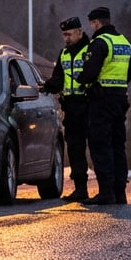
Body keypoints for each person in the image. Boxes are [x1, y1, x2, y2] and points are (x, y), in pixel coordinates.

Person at [77, 6, 131, 205]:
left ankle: (106, 192)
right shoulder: (125, 42)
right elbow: (129, 73)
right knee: (118, 145)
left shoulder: (100, 43)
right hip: (120, 99)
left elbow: (89, 73)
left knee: (101, 144)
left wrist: (81, 80)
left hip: (101, 100)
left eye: (92, 24)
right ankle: (120, 192)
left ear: (96, 23)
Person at [39, 16, 92, 201]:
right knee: (75, 149)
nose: (66, 38)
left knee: (97, 147)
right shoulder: (64, 54)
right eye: (64, 35)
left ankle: (107, 190)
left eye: (69, 34)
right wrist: (47, 86)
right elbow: (58, 79)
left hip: (89, 105)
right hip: (71, 107)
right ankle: (81, 189)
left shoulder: (91, 50)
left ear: (80, 32)